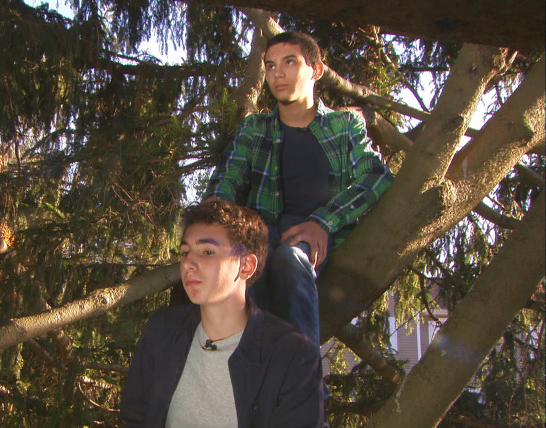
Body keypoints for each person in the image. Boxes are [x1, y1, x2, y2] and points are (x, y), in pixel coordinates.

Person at [203, 31, 394, 348]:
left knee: (291, 259)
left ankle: (304, 383)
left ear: (316, 70)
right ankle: (251, 372)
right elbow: (229, 176)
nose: (277, 73)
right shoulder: (255, 127)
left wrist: (324, 222)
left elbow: (375, 175)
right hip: (262, 231)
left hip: (316, 239)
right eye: (270, 65)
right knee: (246, 262)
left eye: (289, 62)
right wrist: (215, 225)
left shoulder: (344, 125)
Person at [120, 199, 324, 428]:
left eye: (207, 251)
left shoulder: (293, 355)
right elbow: (135, 417)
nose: (188, 263)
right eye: (185, 251)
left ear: (246, 266)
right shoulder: (162, 330)